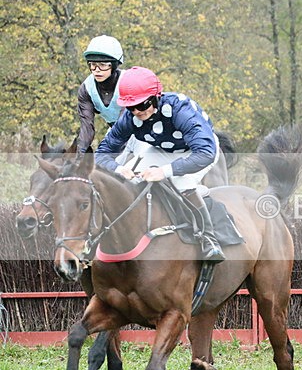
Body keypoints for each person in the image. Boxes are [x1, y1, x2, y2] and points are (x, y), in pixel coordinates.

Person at [95, 66, 225, 262]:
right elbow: (102, 153)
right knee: (133, 177)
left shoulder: (180, 110)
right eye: (131, 107)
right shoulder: (130, 117)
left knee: (181, 182)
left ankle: (208, 238)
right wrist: (118, 168)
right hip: (162, 149)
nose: (137, 112)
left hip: (198, 150)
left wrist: (166, 171)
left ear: (156, 96)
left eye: (142, 105)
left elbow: (205, 153)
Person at [77, 35, 127, 152]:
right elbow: (87, 127)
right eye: (93, 65)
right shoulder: (86, 89)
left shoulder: (127, 82)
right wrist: (79, 153)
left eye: (103, 65)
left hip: (141, 133)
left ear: (114, 64)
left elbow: (124, 124)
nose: (97, 70)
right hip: (115, 132)